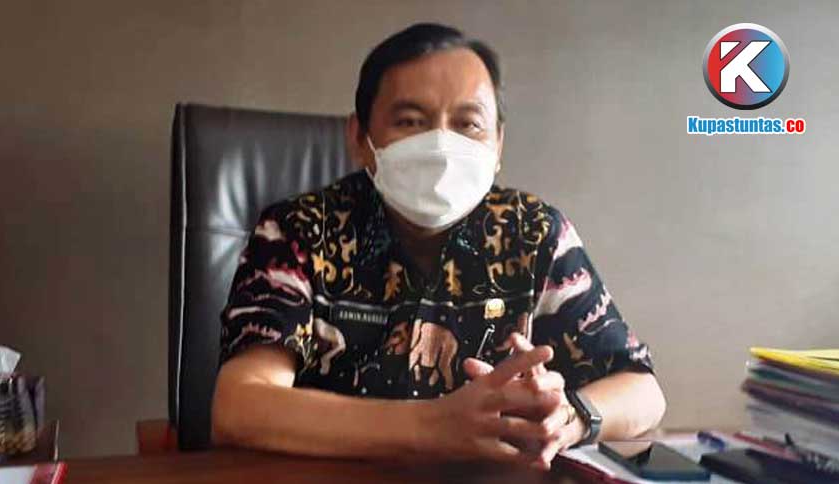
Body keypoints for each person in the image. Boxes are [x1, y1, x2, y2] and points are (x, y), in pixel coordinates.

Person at [212, 23, 665, 470]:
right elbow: (240, 406)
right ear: (359, 138)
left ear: (498, 144)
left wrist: (570, 417)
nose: (442, 147)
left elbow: (643, 392)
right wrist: (431, 426)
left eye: (468, 124)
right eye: (411, 122)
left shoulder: (533, 233)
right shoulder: (299, 230)